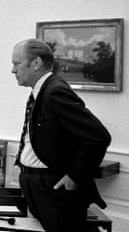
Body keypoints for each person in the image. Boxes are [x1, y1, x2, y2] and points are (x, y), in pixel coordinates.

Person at [11, 39, 111, 232]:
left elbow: (98, 136)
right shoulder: (41, 90)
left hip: (52, 189)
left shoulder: (55, 91)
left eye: (16, 63)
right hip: (36, 184)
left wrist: (74, 176)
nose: (13, 70)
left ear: (36, 63)